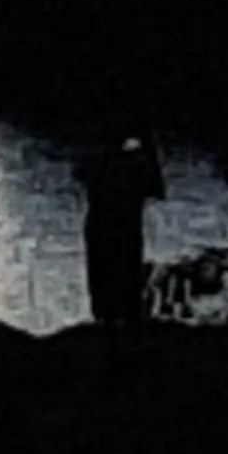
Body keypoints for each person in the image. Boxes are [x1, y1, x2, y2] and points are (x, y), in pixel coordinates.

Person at [75, 135, 167, 327]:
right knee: (111, 269)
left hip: (121, 222)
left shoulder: (133, 156)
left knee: (121, 269)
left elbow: (154, 187)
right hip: (110, 220)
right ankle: (113, 316)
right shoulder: (107, 154)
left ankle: (117, 316)